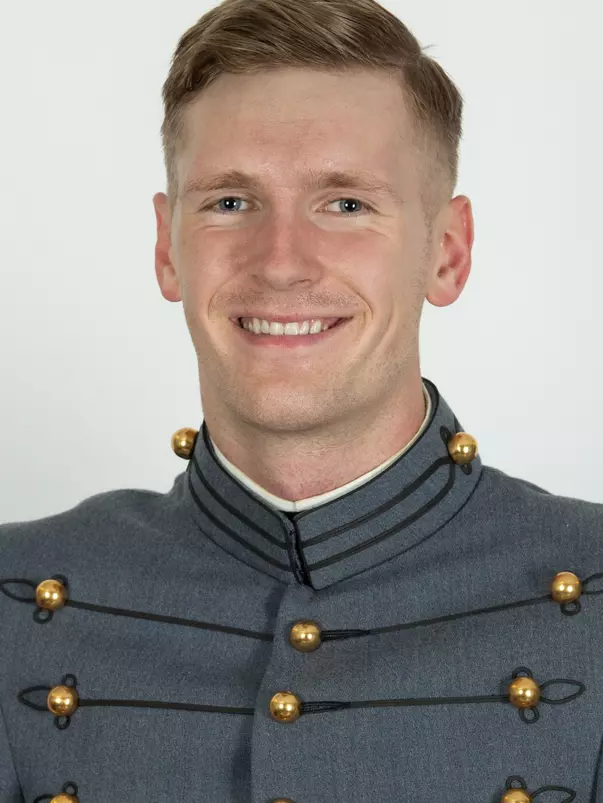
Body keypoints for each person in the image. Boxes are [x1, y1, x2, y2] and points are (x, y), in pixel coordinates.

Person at [1, 0, 601, 800]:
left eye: (345, 204)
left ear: (446, 253)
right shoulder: (17, 595)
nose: (281, 263)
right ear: (165, 246)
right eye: (229, 202)